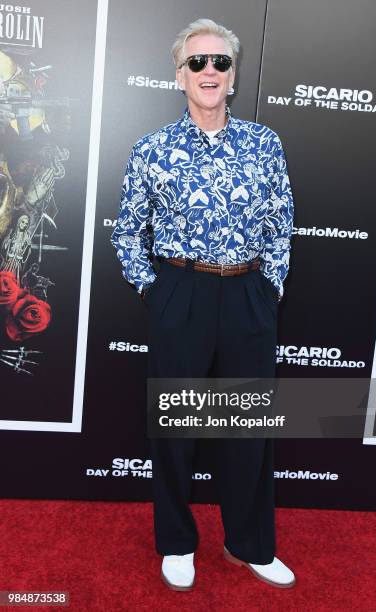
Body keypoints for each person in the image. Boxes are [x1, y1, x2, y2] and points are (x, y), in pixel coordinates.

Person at [111, 18, 295, 591]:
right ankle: (176, 542)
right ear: (179, 75)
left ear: (234, 75)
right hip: (181, 292)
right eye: (198, 63)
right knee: (176, 427)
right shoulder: (152, 149)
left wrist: (269, 288)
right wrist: (156, 290)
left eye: (220, 62)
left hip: (247, 293)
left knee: (247, 428)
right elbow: (127, 232)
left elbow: (281, 223)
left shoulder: (264, 144)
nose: (209, 71)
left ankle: (250, 543)